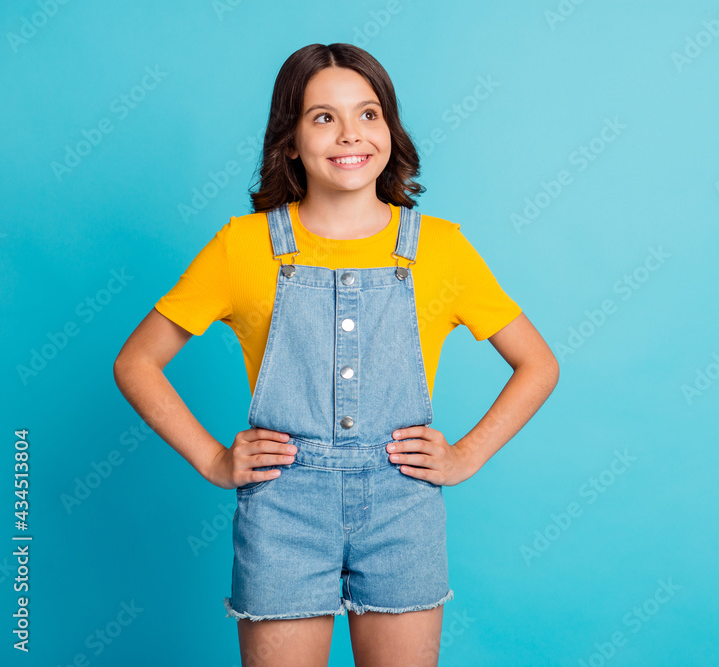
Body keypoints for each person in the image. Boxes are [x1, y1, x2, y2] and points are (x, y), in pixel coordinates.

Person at [112, 42, 559, 666]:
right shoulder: (244, 247)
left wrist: (465, 456)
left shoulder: (440, 248)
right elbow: (135, 363)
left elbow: (539, 365)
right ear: (289, 140)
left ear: (390, 128)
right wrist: (214, 459)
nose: (351, 134)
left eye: (368, 113)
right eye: (323, 117)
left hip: (403, 506)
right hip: (282, 511)